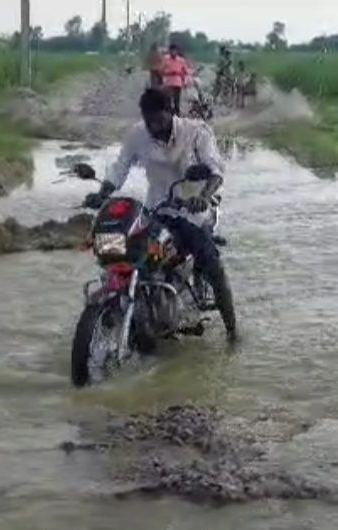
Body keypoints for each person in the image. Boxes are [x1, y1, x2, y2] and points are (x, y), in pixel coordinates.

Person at [85, 87, 237, 341]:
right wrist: (103, 193)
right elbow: (120, 167)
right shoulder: (137, 134)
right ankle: (134, 309)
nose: (154, 126)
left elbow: (215, 169)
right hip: (156, 208)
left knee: (213, 266)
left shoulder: (195, 131)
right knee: (131, 253)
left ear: (171, 112)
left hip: (192, 212)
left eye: (159, 119)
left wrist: (204, 196)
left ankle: (233, 331)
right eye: (149, 120)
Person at [159, 44, 190, 114]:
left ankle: (177, 113)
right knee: (168, 99)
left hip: (177, 82)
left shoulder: (181, 61)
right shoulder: (166, 59)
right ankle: (169, 113)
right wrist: (165, 76)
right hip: (169, 81)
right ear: (169, 51)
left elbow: (185, 71)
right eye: (172, 51)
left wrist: (185, 80)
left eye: (175, 51)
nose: (174, 52)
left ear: (177, 51)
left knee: (177, 100)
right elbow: (161, 70)